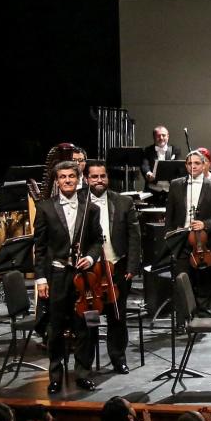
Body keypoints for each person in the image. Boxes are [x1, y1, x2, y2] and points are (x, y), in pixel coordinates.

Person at [31, 158, 104, 390]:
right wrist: (41, 278)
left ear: (79, 179)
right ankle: (55, 376)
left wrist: (91, 257)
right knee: (55, 328)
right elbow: (40, 248)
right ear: (57, 181)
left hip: (85, 278)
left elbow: (97, 242)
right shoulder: (45, 208)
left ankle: (83, 373)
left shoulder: (91, 208)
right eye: (62, 177)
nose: (67, 181)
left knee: (87, 325)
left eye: (71, 176)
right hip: (58, 275)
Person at [83, 159, 141, 375]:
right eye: (94, 176)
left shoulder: (123, 202)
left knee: (117, 316)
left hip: (117, 267)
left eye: (102, 176)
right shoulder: (79, 201)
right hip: (89, 271)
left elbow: (134, 237)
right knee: (89, 318)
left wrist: (132, 267)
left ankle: (118, 358)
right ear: (87, 179)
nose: (99, 180)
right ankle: (86, 363)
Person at [166, 149, 211, 311]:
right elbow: (169, 214)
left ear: (204, 165)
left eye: (197, 163)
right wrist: (170, 236)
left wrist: (205, 224)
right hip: (181, 239)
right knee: (181, 278)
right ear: (185, 166)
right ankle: (182, 320)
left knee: (204, 279)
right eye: (189, 163)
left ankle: (204, 315)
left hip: (204, 240)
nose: (193, 166)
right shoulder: (176, 184)